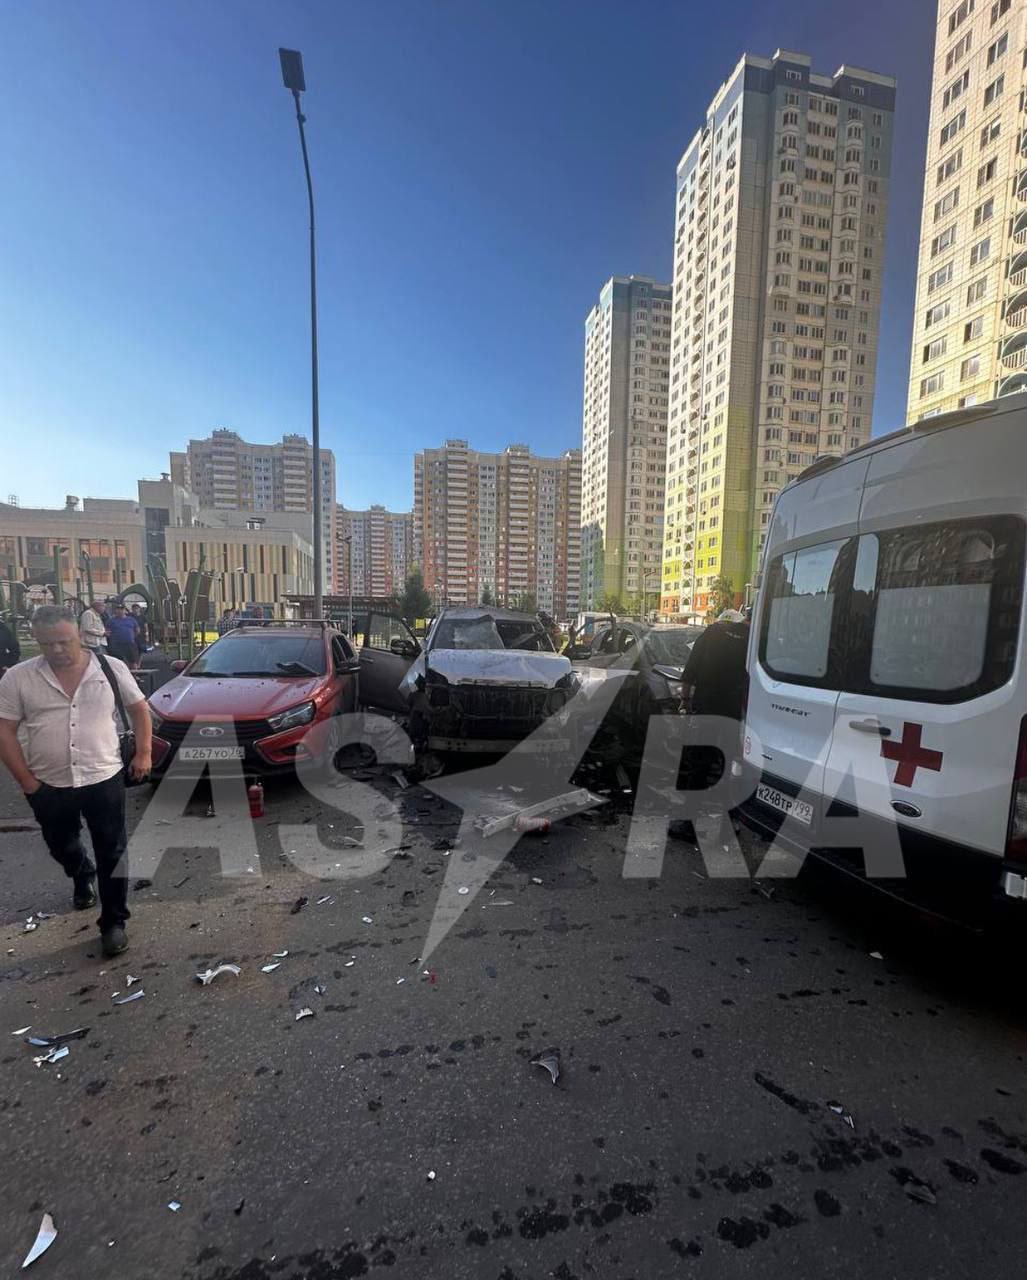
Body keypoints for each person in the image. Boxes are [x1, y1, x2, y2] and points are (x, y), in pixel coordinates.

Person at [0, 606, 152, 957]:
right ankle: (81, 871)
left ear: (79, 636)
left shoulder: (110, 668)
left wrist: (144, 753)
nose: (56, 650)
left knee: (112, 849)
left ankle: (114, 922)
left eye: (64, 642)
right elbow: (5, 731)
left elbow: (139, 709)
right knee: (60, 843)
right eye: (47, 644)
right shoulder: (19, 679)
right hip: (48, 783)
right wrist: (27, 782)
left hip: (103, 775)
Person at [680, 608, 750, 789]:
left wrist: (685, 701)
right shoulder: (748, 637)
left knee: (701, 758)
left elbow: (689, 671)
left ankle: (691, 809)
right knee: (729, 756)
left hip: (707, 705)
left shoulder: (709, 634)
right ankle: (726, 803)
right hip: (733, 708)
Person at [106, 602, 141, 668]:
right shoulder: (110, 621)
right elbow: (107, 632)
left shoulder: (131, 619)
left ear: (125, 610)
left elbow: (137, 630)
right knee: (117, 663)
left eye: (122, 609)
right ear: (115, 610)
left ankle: (135, 677)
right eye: (118, 609)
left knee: (133, 662)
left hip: (129, 644)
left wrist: (131, 637)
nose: (120, 611)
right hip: (116, 645)